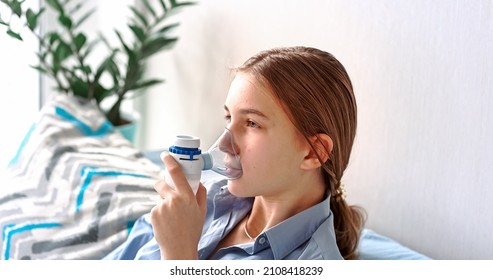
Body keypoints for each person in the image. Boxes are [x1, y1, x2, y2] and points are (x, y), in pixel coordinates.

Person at [104, 46, 366, 260]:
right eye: (229, 117)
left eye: (252, 123)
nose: (223, 143)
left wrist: (179, 255)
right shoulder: (207, 196)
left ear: (312, 152)